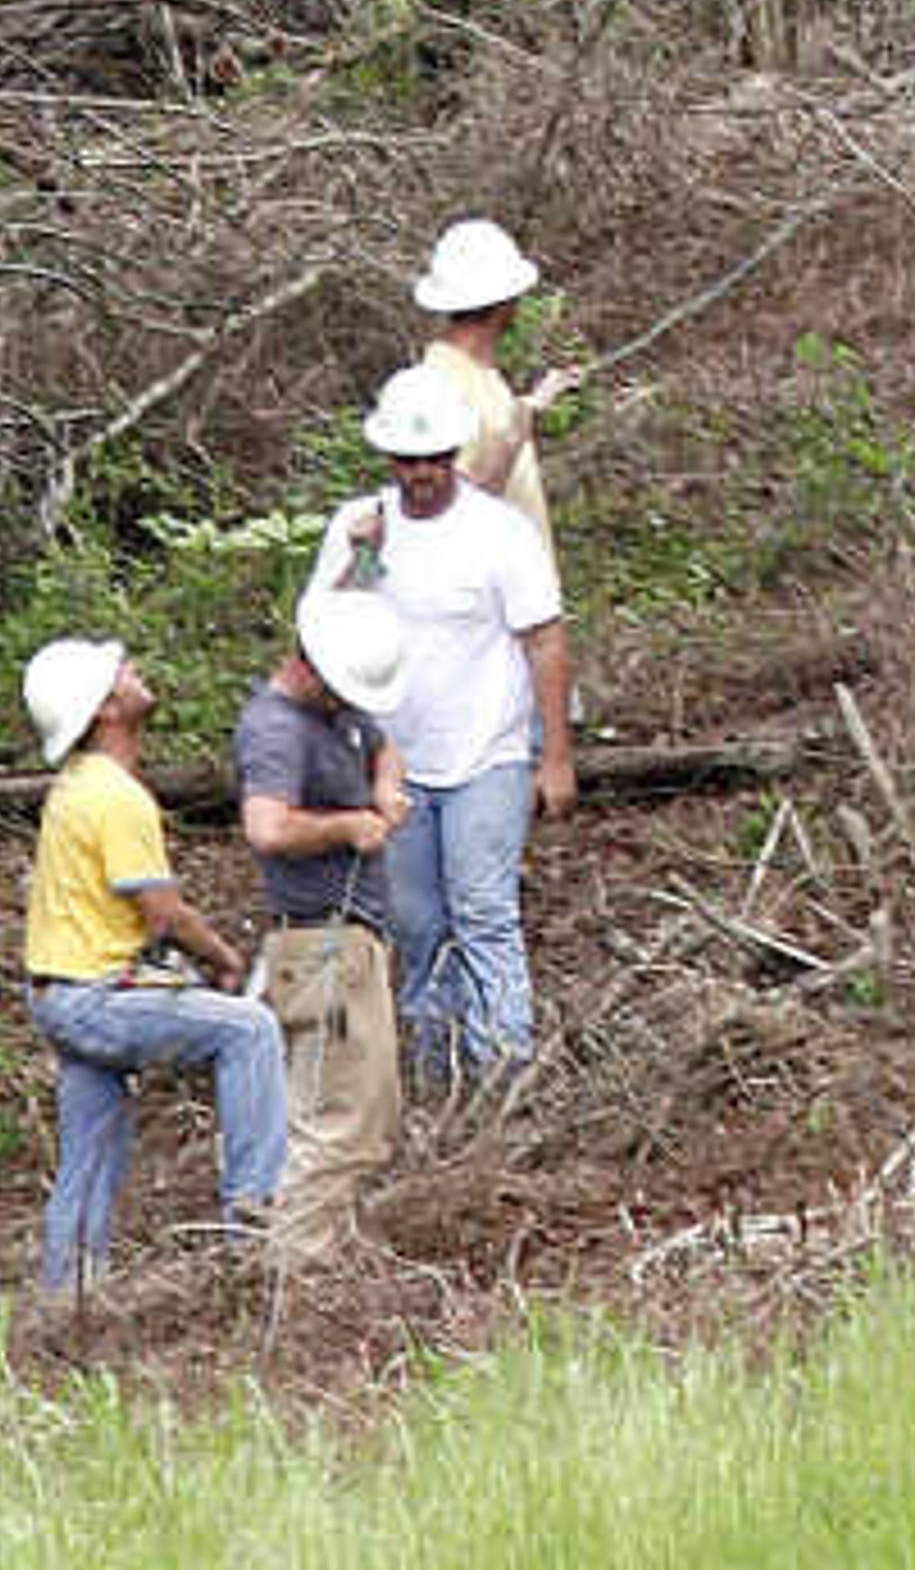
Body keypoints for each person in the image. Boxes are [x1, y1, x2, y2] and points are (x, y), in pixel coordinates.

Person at [322, 364, 577, 1102]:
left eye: (435, 459)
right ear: (388, 459)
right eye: (408, 460)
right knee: (417, 925)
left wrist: (553, 756)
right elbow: (331, 629)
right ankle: (438, 1082)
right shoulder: (362, 527)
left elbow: (545, 641)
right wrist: (363, 555)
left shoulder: (499, 533)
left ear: (456, 455)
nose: (423, 474)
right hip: (397, 762)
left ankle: (507, 1078)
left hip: (489, 753)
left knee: (485, 911)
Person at [17, 633, 287, 1309]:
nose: (136, 671)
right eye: (123, 672)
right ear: (106, 709)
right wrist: (226, 960)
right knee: (249, 1031)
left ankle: (65, 1303)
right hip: (97, 998)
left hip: (59, 996)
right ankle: (253, 1236)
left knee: (92, 1146)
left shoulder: (77, 786)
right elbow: (163, 912)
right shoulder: (116, 796)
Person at [233, 568, 411, 1251]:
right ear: (312, 664)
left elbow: (385, 745)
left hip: (354, 940)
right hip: (314, 946)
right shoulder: (277, 731)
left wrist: (386, 791)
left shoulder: (337, 715)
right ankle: (296, 1274)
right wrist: (348, 826)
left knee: (369, 1115)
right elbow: (268, 828)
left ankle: (327, 1260)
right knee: (334, 1117)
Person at [402, 214, 575, 596]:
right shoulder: (441, 382)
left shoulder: (476, 374)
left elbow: (490, 431)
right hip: (486, 618)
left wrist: (536, 401)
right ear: (503, 304)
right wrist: (516, 431)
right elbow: (452, 507)